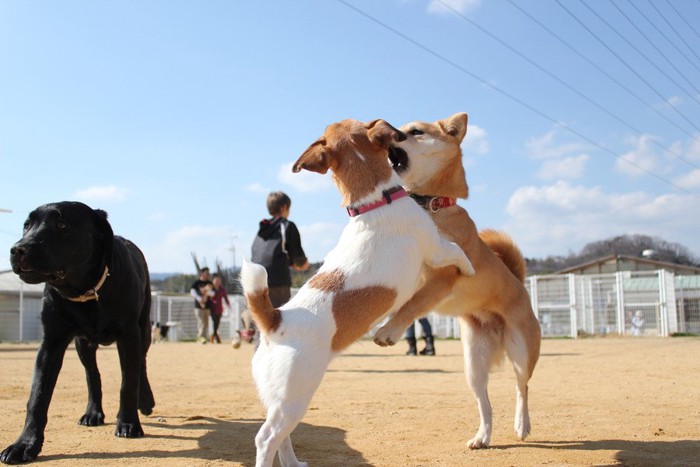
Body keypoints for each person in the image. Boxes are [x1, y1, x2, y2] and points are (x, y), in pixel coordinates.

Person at [251, 191, 309, 308]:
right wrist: (304, 265)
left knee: (260, 322)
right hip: (277, 283)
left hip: (255, 283)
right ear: (284, 207)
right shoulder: (287, 226)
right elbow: (299, 260)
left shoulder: (262, 230)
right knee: (279, 322)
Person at [190, 267, 214, 344]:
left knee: (206, 323)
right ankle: (201, 337)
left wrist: (207, 291)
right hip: (198, 307)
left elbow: (213, 293)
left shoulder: (209, 283)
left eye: (208, 273)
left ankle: (203, 338)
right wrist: (200, 299)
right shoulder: (196, 283)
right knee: (201, 322)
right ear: (202, 273)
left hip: (207, 307)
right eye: (206, 273)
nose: (208, 274)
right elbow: (192, 292)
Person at [209, 273, 230, 344]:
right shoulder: (210, 288)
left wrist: (228, 305)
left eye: (219, 280)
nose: (217, 282)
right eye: (216, 280)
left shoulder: (222, 289)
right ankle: (215, 336)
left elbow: (225, 298)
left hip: (220, 308)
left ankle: (214, 336)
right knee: (215, 322)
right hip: (212, 308)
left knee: (217, 323)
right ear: (213, 281)